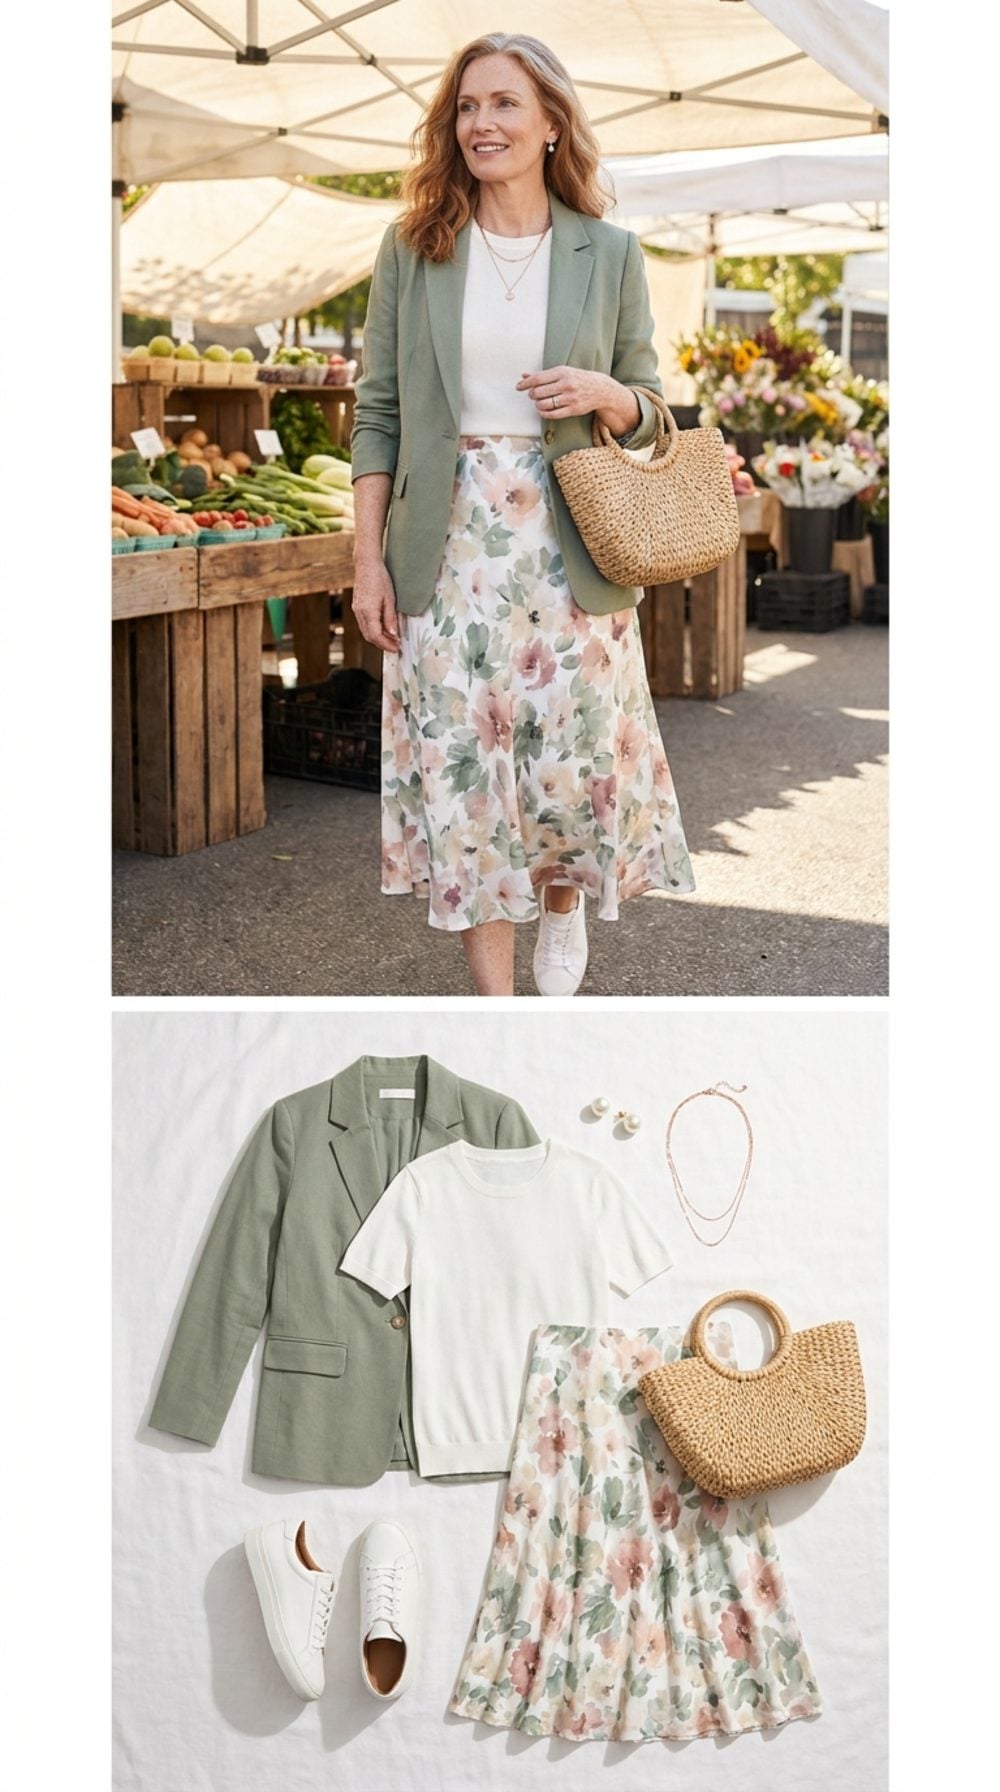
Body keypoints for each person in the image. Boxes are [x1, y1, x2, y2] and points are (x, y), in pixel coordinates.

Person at [351, 31, 695, 998]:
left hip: (568, 547)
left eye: (504, 104)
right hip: (445, 547)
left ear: (551, 123)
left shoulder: (610, 251)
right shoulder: (415, 248)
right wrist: (366, 560)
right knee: (465, 769)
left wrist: (603, 391)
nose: (481, 124)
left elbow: (653, 406)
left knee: (563, 754)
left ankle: (561, 901)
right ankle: (498, 1014)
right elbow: (377, 413)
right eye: (466, 107)